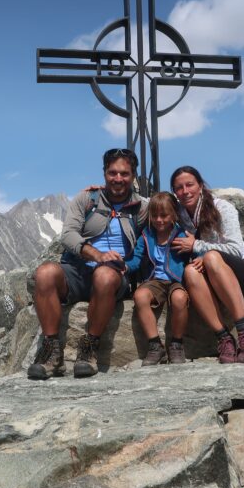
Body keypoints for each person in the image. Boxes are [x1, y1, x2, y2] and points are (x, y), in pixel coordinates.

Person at [28, 148, 148, 380]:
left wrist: (126, 265)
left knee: (104, 275)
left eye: (124, 173)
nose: (118, 179)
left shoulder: (142, 208)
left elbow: (163, 222)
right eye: (112, 173)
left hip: (113, 275)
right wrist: (95, 254)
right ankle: (52, 353)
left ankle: (89, 349)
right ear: (104, 173)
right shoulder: (86, 199)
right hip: (79, 269)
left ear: (134, 176)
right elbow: (68, 234)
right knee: (44, 273)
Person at [170, 166, 244, 363]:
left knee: (212, 257)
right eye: (179, 188)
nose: (185, 191)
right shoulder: (179, 212)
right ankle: (223, 337)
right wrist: (108, 189)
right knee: (190, 271)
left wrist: (196, 246)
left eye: (190, 185)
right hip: (211, 279)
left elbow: (236, 249)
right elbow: (149, 203)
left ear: (201, 185)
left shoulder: (222, 207)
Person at [124, 191, 190, 366]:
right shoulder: (147, 235)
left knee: (179, 298)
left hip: (177, 280)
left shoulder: (181, 235)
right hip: (155, 281)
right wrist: (125, 266)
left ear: (173, 215)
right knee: (140, 296)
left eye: (164, 215)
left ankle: (176, 344)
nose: (159, 220)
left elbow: (193, 253)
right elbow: (136, 259)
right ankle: (155, 346)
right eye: (155, 216)